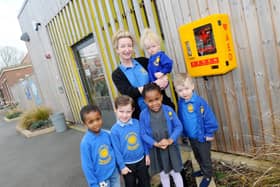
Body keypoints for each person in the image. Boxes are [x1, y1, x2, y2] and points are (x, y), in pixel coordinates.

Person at [111, 29, 175, 119]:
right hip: (142, 117)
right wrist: (154, 85)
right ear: (117, 50)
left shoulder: (144, 61)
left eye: (129, 46)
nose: (127, 49)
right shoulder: (117, 74)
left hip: (163, 109)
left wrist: (164, 80)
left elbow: (159, 74)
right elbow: (130, 92)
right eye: (122, 46)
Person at [173, 73, 218, 187]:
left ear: (192, 86)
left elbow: (208, 117)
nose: (184, 92)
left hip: (202, 136)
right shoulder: (181, 102)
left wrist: (209, 132)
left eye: (187, 88)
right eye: (180, 90)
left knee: (204, 156)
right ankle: (202, 171)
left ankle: (208, 175)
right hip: (191, 137)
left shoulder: (199, 102)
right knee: (197, 155)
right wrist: (183, 133)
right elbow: (181, 117)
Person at [139, 83, 184, 187]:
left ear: (161, 97)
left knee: (175, 173)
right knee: (163, 174)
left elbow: (178, 126)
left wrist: (170, 140)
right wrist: (155, 143)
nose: (155, 103)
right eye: (150, 101)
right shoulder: (143, 115)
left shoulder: (168, 110)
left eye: (157, 99)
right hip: (156, 150)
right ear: (145, 101)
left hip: (170, 148)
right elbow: (143, 133)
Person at [110, 95, 150, 187]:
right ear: (115, 110)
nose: (124, 115)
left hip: (141, 161)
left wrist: (147, 154)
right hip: (127, 165)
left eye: (128, 112)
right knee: (130, 185)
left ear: (132, 110)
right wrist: (122, 166)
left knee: (145, 183)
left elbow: (143, 140)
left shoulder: (137, 123)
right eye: (121, 111)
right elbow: (116, 150)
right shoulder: (114, 130)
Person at [80, 104, 120, 187]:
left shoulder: (107, 134)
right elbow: (87, 166)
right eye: (91, 122)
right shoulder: (86, 143)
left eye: (98, 119)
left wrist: (119, 167)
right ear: (85, 124)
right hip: (101, 179)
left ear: (101, 117)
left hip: (114, 172)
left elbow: (115, 151)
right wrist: (93, 184)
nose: (96, 123)